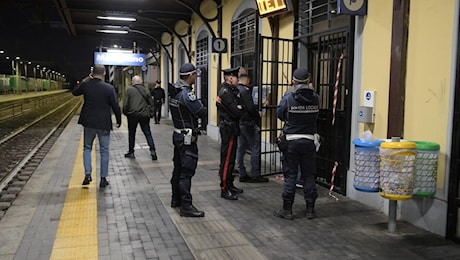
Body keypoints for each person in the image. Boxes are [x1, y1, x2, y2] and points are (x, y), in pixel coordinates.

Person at [274, 68, 319, 220]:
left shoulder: (288, 97)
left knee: (290, 175)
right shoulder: (316, 97)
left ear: (293, 81)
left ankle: (287, 210)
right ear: (309, 79)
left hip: (291, 141)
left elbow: (280, 114)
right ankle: (310, 210)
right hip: (309, 140)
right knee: (308, 175)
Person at [72, 64, 122, 188]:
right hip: (104, 123)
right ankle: (103, 179)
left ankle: (88, 175)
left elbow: (75, 92)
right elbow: (115, 105)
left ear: (92, 73)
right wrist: (119, 120)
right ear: (104, 74)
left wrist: (85, 79)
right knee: (104, 150)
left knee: (87, 148)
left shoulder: (86, 85)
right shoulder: (109, 88)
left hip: (88, 122)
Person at [169, 63, 207, 217]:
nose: (196, 77)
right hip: (187, 138)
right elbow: (201, 112)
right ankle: (186, 206)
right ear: (190, 76)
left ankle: (175, 199)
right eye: (195, 75)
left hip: (178, 135)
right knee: (186, 171)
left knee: (177, 169)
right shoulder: (187, 95)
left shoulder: (175, 92)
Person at [216, 66, 244, 200]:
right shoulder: (225, 92)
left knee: (231, 158)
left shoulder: (230, 90)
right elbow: (237, 111)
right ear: (231, 78)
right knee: (227, 159)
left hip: (232, 128)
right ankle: (224, 188)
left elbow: (239, 107)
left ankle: (230, 184)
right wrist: (239, 108)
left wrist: (239, 107)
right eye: (237, 78)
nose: (239, 80)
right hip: (228, 128)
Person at [236, 68, 269, 183]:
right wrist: (257, 115)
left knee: (240, 148)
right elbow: (250, 108)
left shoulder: (235, 90)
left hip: (239, 122)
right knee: (255, 147)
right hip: (248, 123)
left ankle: (241, 172)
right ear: (246, 80)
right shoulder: (245, 91)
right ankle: (255, 173)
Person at [123, 75, 158, 160]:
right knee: (147, 133)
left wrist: (126, 113)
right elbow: (151, 103)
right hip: (144, 115)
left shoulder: (129, 90)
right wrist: (151, 114)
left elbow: (126, 104)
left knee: (132, 134)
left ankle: (131, 152)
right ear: (141, 82)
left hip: (132, 115)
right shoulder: (146, 90)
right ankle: (152, 150)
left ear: (133, 82)